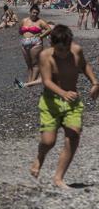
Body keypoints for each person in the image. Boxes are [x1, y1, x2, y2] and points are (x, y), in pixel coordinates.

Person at [29, 25, 99, 189]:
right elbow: (46, 81)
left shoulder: (76, 50)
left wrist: (95, 82)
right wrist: (62, 93)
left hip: (72, 102)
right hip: (50, 102)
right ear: (52, 45)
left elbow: (84, 65)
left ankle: (59, 178)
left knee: (73, 136)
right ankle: (40, 157)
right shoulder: (45, 56)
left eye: (66, 49)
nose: (64, 53)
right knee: (48, 141)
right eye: (60, 50)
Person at [18, 5, 51, 85]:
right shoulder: (24, 20)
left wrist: (41, 36)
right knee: (28, 64)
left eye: (36, 13)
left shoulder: (40, 21)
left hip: (35, 42)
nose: (35, 14)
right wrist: (24, 34)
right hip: (24, 41)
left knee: (35, 63)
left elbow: (49, 29)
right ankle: (29, 81)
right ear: (30, 12)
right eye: (33, 12)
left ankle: (32, 82)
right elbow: (20, 30)